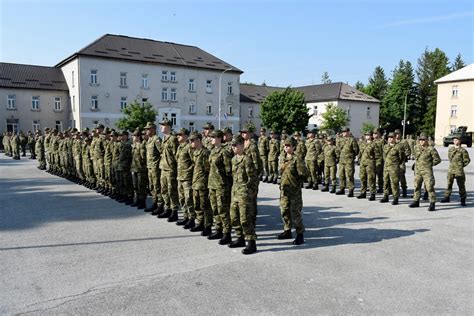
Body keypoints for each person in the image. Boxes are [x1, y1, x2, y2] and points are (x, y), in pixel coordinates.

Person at [229, 135, 257, 254]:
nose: (233, 147)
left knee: (245, 219)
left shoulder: (247, 160)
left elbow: (253, 179)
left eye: (235, 145)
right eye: (232, 145)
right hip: (235, 192)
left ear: (241, 145)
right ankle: (240, 238)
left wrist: (249, 193)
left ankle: (251, 243)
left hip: (244, 194)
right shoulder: (234, 159)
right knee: (234, 217)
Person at [277, 137, 308, 245]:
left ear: (294, 147)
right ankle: (287, 230)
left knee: (295, 212)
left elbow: (304, 174)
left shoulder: (297, 159)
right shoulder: (282, 158)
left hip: (294, 190)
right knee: (284, 210)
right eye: (285, 145)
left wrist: (296, 182)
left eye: (289, 145)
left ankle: (300, 234)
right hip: (284, 190)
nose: (286, 147)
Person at [207, 129, 233, 244]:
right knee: (215, 209)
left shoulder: (224, 152)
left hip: (222, 185)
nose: (211, 139)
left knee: (223, 209)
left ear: (219, 138)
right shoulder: (212, 151)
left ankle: (226, 233)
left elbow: (229, 171)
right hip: (212, 184)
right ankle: (218, 229)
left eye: (213, 137)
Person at [409, 133, 441, 211]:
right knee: (416, 186)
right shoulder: (416, 148)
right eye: (420, 140)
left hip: (427, 171)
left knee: (429, 187)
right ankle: (416, 201)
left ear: (427, 140)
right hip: (418, 171)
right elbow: (415, 157)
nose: (422, 141)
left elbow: (437, 159)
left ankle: (432, 203)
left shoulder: (431, 149)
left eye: (423, 140)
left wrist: (430, 164)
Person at [189, 132, 212, 235]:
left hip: (203, 183)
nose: (191, 142)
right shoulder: (195, 152)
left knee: (205, 206)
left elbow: (208, 169)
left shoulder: (205, 153)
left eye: (192, 140)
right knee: (197, 204)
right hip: (196, 182)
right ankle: (200, 223)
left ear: (198, 140)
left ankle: (207, 226)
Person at [157, 119, 179, 221]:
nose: (161, 127)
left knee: (171, 190)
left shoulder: (173, 139)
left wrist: (175, 169)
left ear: (169, 127)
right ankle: (167, 208)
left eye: (163, 125)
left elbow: (176, 155)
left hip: (170, 169)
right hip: (163, 167)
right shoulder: (164, 138)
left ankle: (174, 211)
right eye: (161, 125)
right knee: (164, 190)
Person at [440, 135, 470, 206]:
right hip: (451, 169)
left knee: (461, 185)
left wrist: (460, 165)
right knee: (449, 184)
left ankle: (463, 199)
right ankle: (447, 197)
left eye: (456, 140)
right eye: (454, 140)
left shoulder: (463, 150)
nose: (455, 141)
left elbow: (467, 160)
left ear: (460, 141)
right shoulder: (451, 149)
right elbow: (450, 158)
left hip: (459, 170)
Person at [175, 128, 195, 227]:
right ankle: (185, 216)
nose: (178, 136)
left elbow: (194, 162)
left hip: (187, 177)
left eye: (180, 134)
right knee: (182, 198)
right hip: (180, 177)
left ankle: (191, 218)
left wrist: (188, 171)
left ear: (186, 136)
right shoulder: (180, 147)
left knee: (188, 199)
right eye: (178, 134)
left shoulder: (189, 147)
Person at [144, 122, 164, 214]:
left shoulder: (157, 140)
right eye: (146, 129)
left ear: (153, 129)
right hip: (150, 167)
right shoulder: (149, 140)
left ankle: (160, 205)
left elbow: (162, 153)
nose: (146, 130)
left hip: (155, 167)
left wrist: (159, 165)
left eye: (148, 129)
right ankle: (154, 203)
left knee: (157, 186)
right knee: (152, 186)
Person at [380, 132, 404, 205]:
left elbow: (401, 157)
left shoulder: (398, 147)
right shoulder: (385, 146)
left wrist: (396, 163)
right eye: (389, 137)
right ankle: (386, 196)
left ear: (395, 138)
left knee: (394, 183)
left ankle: (395, 198)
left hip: (394, 167)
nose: (390, 139)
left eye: (392, 137)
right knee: (386, 182)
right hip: (386, 167)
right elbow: (384, 156)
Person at [336, 127, 359, 197]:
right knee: (341, 175)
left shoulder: (352, 140)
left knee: (349, 175)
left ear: (348, 132)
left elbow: (356, 150)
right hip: (341, 160)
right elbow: (338, 149)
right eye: (343, 132)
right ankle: (342, 189)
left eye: (345, 132)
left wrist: (351, 156)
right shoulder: (340, 140)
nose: (344, 133)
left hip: (349, 161)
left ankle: (351, 190)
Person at [130, 129, 148, 209]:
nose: (133, 137)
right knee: (135, 186)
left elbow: (143, 158)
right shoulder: (135, 145)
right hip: (134, 168)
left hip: (141, 169)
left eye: (134, 136)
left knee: (141, 186)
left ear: (138, 136)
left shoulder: (141, 145)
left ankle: (142, 202)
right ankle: (137, 200)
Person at [358, 132, 377, 201]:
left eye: (368, 135)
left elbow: (377, 154)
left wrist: (374, 162)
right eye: (366, 135)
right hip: (363, 163)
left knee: (371, 178)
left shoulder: (374, 144)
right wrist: (359, 160)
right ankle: (363, 192)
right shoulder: (363, 143)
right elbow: (360, 153)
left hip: (370, 163)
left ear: (371, 136)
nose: (367, 136)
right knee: (362, 177)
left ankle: (372, 194)